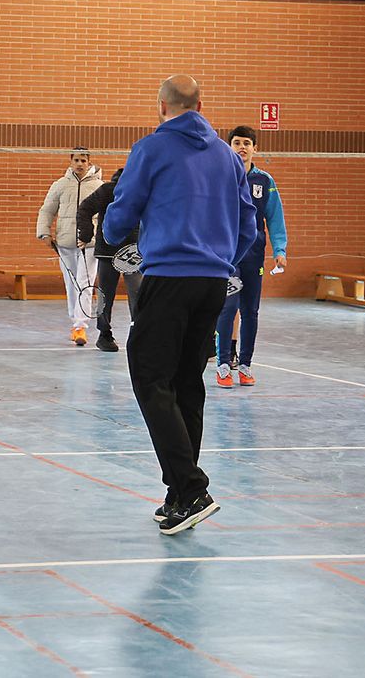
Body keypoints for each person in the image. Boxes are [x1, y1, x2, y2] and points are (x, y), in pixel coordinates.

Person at [102, 75, 255, 536]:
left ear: (160, 106)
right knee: (187, 381)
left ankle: (190, 486)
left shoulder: (151, 148)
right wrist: (223, 259)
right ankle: (178, 496)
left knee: (149, 375)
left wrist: (111, 236)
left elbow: (123, 210)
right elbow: (248, 224)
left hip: (168, 277)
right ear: (200, 105)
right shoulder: (229, 157)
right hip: (213, 282)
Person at [214, 126, 287, 388]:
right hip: (226, 256)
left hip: (254, 256)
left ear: (255, 148)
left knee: (250, 311)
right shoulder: (219, 176)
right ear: (229, 147)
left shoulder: (264, 181)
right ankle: (223, 365)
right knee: (228, 307)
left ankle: (245, 365)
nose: (242, 147)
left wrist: (280, 250)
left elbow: (275, 217)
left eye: (247, 143)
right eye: (237, 143)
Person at [38, 148, 104, 345]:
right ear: (70, 161)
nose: (80, 164)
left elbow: (106, 214)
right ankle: (74, 321)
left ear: (89, 162)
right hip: (65, 242)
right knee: (71, 283)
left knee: (85, 282)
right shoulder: (60, 185)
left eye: (83, 160)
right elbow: (47, 209)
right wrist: (44, 232)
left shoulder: (99, 186)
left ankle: (80, 326)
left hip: (89, 243)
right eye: (76, 160)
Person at [77, 167, 138, 353]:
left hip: (120, 251)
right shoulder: (120, 190)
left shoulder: (109, 190)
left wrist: (86, 235)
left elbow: (84, 209)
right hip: (123, 251)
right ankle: (131, 334)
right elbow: (85, 209)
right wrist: (86, 235)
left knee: (108, 295)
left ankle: (106, 335)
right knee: (136, 295)